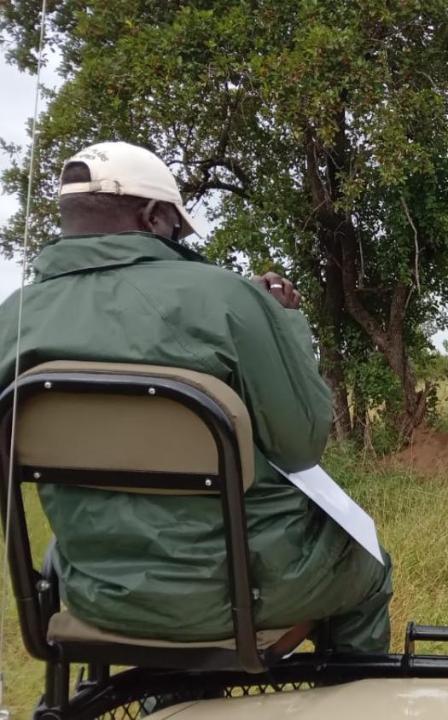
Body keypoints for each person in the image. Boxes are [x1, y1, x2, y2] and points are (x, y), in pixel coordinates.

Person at [0, 141, 392, 654]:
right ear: (154, 214)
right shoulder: (227, 298)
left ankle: (170, 693)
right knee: (370, 563)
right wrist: (283, 321)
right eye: (177, 229)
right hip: (245, 593)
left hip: (96, 593)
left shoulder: (15, 317)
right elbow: (302, 445)